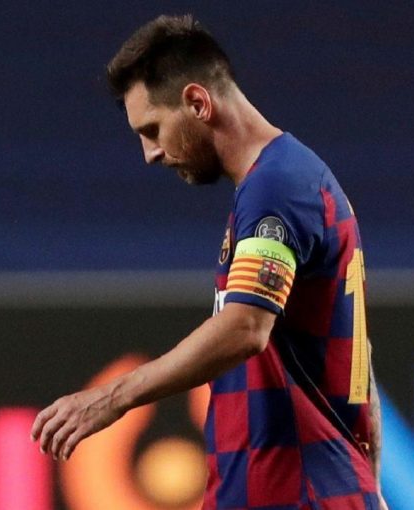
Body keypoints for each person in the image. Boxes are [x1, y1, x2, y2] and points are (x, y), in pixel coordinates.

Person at [30, 14, 388, 510]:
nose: (150, 153)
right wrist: (367, 482)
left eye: (153, 129)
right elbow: (357, 357)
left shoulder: (277, 188)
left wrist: (114, 397)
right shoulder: (287, 181)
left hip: (293, 496)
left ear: (198, 102)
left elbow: (245, 328)